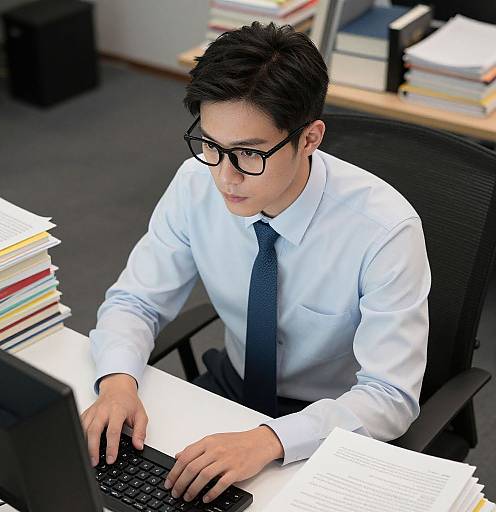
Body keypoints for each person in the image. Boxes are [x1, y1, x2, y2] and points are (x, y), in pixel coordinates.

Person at [81, 21, 431, 506]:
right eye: (210, 144)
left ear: (310, 138)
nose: (225, 176)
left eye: (248, 153)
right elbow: (136, 299)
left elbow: (390, 394)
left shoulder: (384, 231)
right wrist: (118, 381)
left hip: (332, 420)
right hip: (234, 388)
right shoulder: (195, 183)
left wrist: (270, 440)